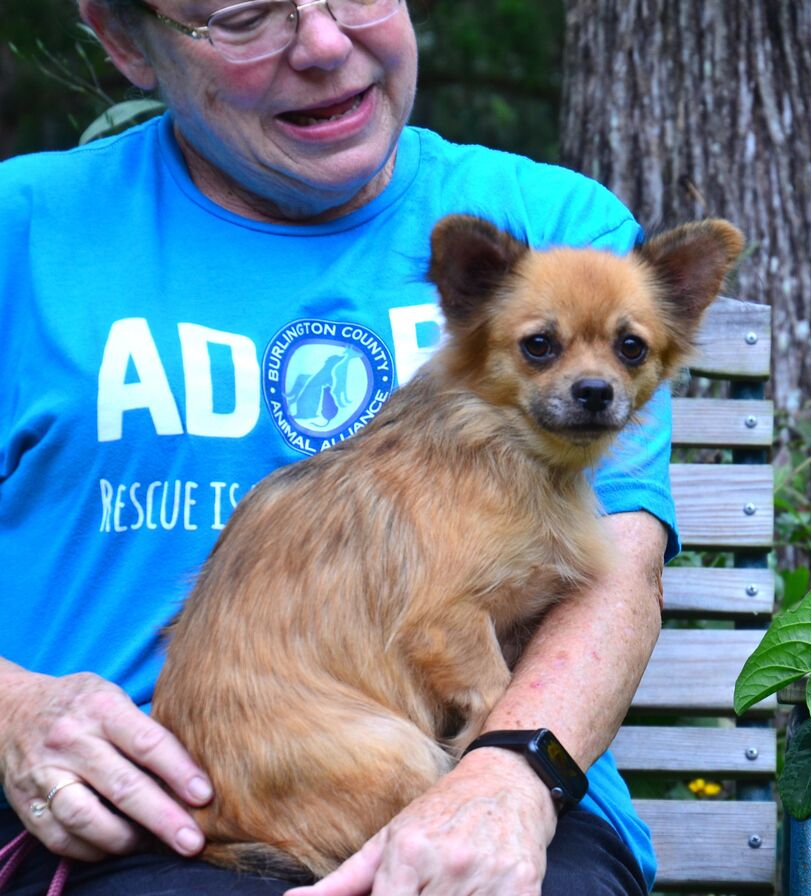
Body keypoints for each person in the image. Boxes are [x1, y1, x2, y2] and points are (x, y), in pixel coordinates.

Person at [0, 1, 679, 893]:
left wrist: (510, 775)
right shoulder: (25, 230)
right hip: (126, 824)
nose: (324, 44)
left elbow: (618, 575)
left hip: (502, 786)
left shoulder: (555, 228)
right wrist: (12, 705)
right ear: (127, 40)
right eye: (244, 16)